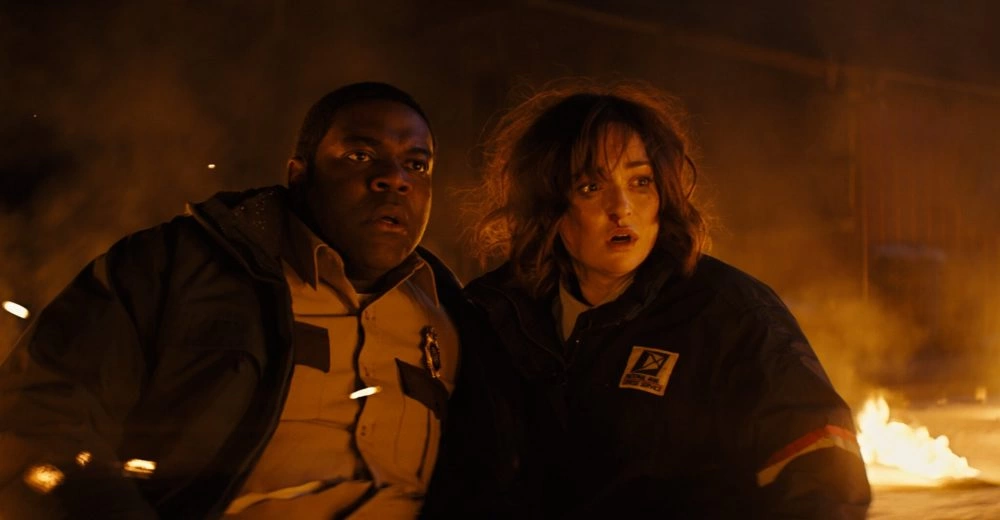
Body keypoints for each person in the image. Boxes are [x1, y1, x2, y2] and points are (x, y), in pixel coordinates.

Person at [0, 82, 465, 519]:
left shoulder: (460, 324)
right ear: (299, 174)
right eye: (360, 155)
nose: (394, 179)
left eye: (417, 165)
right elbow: (39, 414)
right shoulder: (178, 268)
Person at [424, 81, 871, 518]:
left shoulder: (727, 313)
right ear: (548, 203)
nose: (622, 207)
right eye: (590, 187)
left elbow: (823, 476)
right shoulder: (496, 315)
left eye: (640, 181)